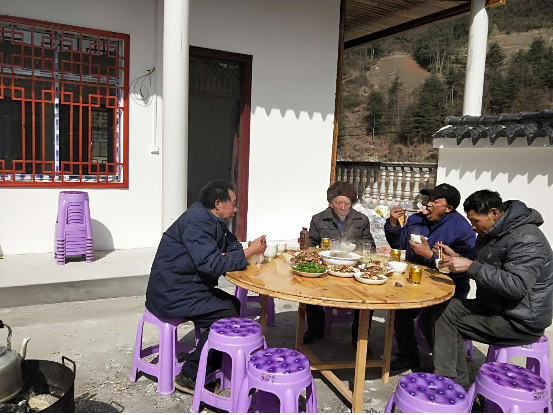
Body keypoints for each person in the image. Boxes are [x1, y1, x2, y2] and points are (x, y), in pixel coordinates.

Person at [145, 179, 267, 394]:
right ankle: (189, 376)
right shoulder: (198, 223)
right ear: (219, 203)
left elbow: (230, 243)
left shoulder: (210, 218)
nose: (236, 208)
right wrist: (247, 253)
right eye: (234, 203)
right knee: (226, 315)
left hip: (187, 286)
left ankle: (213, 363)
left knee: (233, 304)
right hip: (172, 293)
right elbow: (211, 265)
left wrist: (237, 252)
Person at [432, 190, 553, 389]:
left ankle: (451, 385)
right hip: (496, 305)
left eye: (475, 221)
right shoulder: (494, 232)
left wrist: (470, 266)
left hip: (519, 320)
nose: (472, 226)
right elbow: (488, 264)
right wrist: (457, 256)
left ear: (494, 213)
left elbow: (517, 286)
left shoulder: (527, 239)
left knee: (447, 322)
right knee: (443, 308)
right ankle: (454, 379)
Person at [384, 183, 476, 371]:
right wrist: (393, 223)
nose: (429, 204)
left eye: (436, 201)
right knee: (401, 313)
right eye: (428, 199)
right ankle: (408, 356)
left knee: (432, 320)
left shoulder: (462, 230)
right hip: (416, 279)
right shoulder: (416, 219)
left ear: (449, 208)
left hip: (448, 284)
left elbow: (465, 264)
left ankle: (445, 367)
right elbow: (400, 243)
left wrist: (430, 256)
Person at [304, 182, 377, 349]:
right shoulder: (318, 219)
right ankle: (315, 329)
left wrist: (361, 252)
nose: (343, 207)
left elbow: (370, 246)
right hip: (327, 266)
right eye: (338, 203)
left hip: (353, 267)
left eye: (347, 203)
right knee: (309, 288)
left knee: (368, 295)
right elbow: (312, 245)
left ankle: (359, 337)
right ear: (331, 203)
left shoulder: (361, 219)